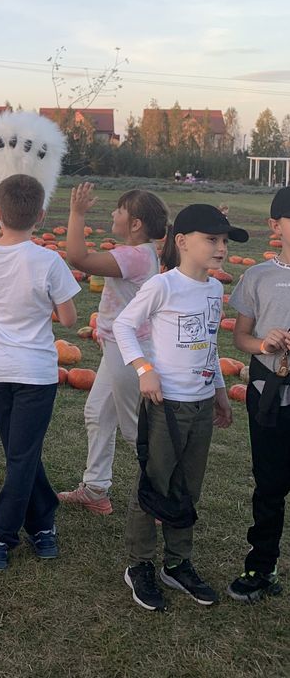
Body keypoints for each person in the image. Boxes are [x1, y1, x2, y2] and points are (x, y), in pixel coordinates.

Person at [113, 203, 243, 611]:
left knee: (187, 485)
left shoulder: (214, 289)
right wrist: (144, 368)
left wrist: (219, 390)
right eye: (212, 239)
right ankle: (140, 564)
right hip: (166, 404)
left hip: (202, 404)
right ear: (183, 242)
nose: (220, 248)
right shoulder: (163, 285)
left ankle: (177, 562)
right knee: (155, 483)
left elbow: (210, 343)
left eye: (224, 241)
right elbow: (123, 326)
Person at [0, 174, 80, 571]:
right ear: (41, 216)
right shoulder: (49, 260)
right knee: (22, 455)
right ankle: (36, 529)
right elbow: (68, 318)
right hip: (36, 373)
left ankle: (3, 533)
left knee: (20, 454)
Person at [58, 184, 168, 515]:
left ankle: (161, 499)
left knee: (136, 429)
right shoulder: (140, 252)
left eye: (118, 210)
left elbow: (78, 258)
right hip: (118, 347)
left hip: (129, 350)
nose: (112, 214)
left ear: (135, 223)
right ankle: (95, 489)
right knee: (97, 413)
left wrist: (77, 213)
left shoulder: (135, 255)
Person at [227, 186, 290, 602]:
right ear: (275, 226)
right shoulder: (259, 276)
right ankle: (261, 566)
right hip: (270, 391)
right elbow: (240, 337)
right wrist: (264, 345)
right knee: (269, 484)